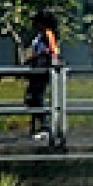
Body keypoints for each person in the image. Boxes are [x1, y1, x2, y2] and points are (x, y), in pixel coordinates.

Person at [22, 10, 63, 143]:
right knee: (32, 97)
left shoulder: (48, 34)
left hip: (42, 68)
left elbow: (52, 51)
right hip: (36, 68)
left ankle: (45, 127)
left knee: (37, 96)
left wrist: (35, 57)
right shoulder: (40, 35)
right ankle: (38, 126)